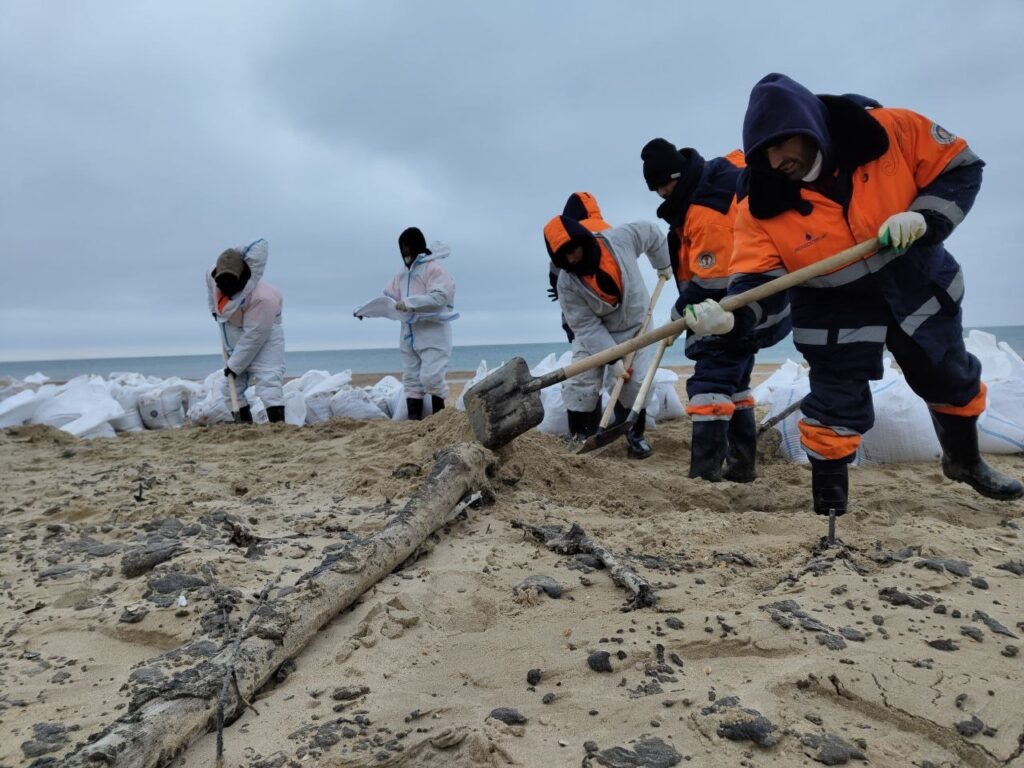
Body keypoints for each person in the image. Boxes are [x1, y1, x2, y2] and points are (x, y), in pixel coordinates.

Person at [685, 73, 1023, 518]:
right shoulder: (759, 205)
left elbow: (959, 167)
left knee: (950, 378)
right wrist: (732, 320)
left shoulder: (892, 132)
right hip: (833, 307)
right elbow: (758, 284)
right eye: (763, 152)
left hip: (914, 281)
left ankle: (965, 462)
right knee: (832, 407)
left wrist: (923, 219)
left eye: (781, 144)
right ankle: (830, 509)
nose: (775, 159)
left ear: (809, 127)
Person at [641, 138, 790, 481]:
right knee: (735, 386)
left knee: (709, 385)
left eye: (664, 183)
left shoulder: (706, 211)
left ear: (679, 175)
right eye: (656, 188)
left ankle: (705, 476)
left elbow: (712, 280)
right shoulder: (701, 190)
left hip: (728, 312)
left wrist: (678, 316)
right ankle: (740, 468)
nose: (662, 193)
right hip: (737, 311)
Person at [543, 215, 673, 457]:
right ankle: (583, 437)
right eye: (564, 256)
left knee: (635, 382)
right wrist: (613, 360)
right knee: (580, 382)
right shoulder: (567, 283)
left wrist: (663, 264)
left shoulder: (621, 239)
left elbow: (653, 233)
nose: (571, 259)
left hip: (637, 329)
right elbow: (585, 326)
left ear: (583, 241)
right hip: (594, 334)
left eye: (573, 251)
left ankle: (635, 436)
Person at [206, 238, 286, 423]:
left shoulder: (264, 298)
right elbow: (211, 294)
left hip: (266, 335)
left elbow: (254, 337)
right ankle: (244, 426)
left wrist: (234, 366)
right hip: (234, 328)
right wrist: (213, 309)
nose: (226, 290)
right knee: (229, 386)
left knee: (269, 381)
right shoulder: (211, 274)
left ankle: (278, 427)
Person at [384, 227, 456, 420]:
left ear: (417, 246)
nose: (405, 252)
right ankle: (415, 421)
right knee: (411, 380)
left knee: (432, 378)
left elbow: (441, 296)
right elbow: (389, 297)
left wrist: (410, 303)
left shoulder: (433, 269)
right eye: (402, 248)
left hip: (433, 332)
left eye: (408, 247)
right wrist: (368, 310)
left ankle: (439, 420)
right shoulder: (401, 274)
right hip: (408, 333)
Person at [547, 192, 612, 345]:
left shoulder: (570, 237)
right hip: (615, 311)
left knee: (588, 352)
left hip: (581, 317)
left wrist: (557, 287)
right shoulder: (609, 229)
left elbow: (555, 273)